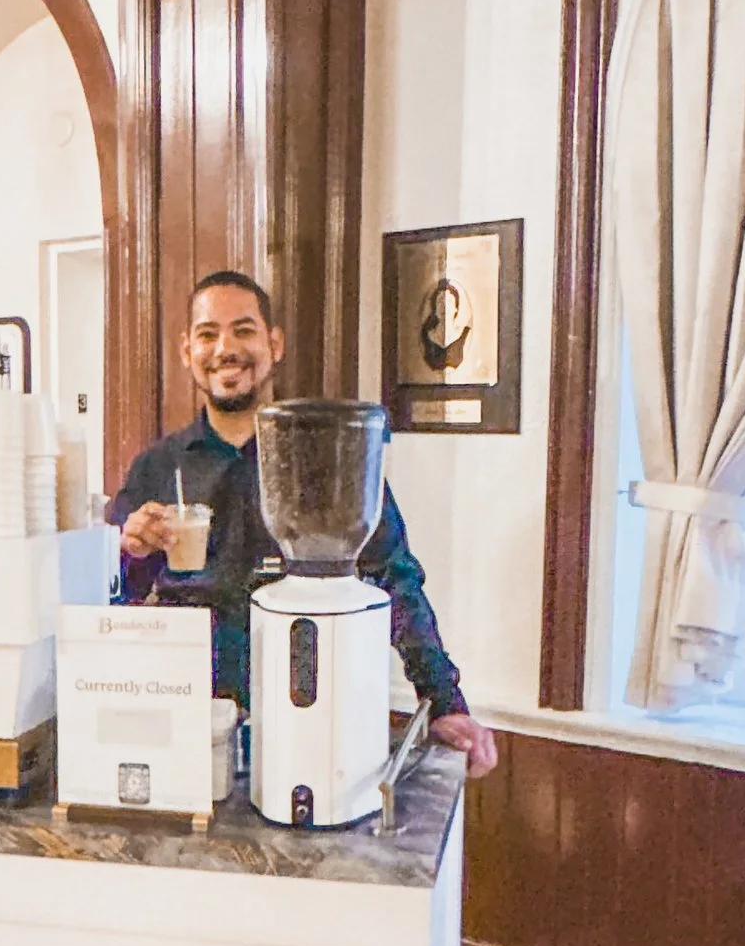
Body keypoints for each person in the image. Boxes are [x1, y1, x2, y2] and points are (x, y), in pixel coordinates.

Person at [110, 268, 499, 777]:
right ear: (187, 350)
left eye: (244, 330)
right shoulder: (157, 468)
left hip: (314, 729)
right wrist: (131, 554)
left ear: (274, 344)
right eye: (208, 334)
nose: (225, 348)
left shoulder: (331, 460)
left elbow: (396, 580)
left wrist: (444, 701)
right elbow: (118, 601)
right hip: (188, 734)